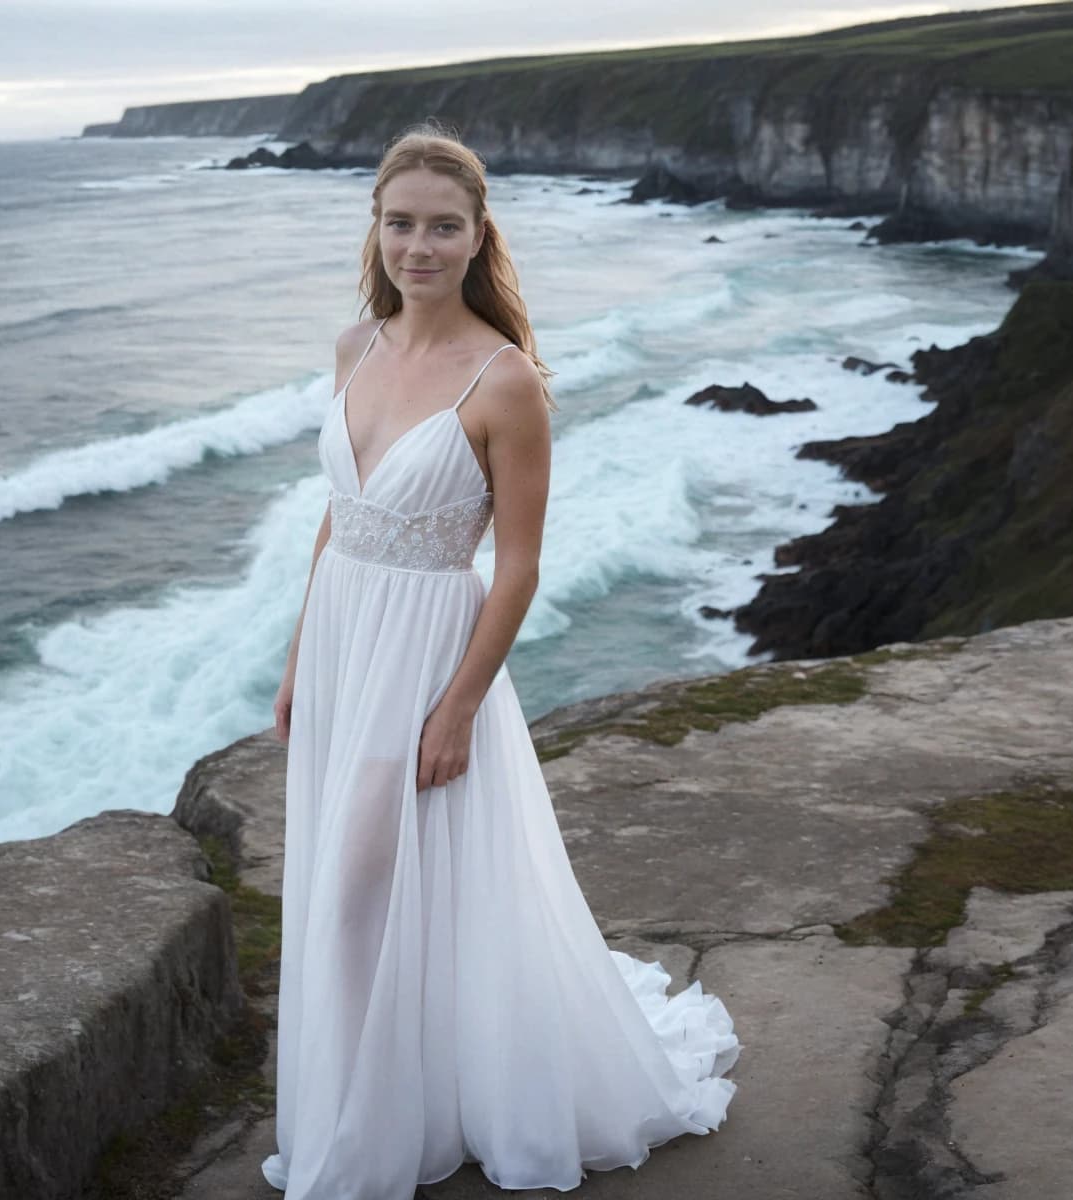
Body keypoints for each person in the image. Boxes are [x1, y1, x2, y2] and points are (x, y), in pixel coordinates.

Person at [264, 120, 740, 1199]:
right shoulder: (354, 350)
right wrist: (298, 660)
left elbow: (519, 567)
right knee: (355, 890)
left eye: (442, 227)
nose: (417, 246)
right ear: (375, 229)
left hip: (429, 652)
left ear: (480, 237)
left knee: (362, 886)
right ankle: (374, 1104)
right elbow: (337, 521)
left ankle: (381, 1126)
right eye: (400, 224)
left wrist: (456, 709)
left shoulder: (505, 380)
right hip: (343, 643)